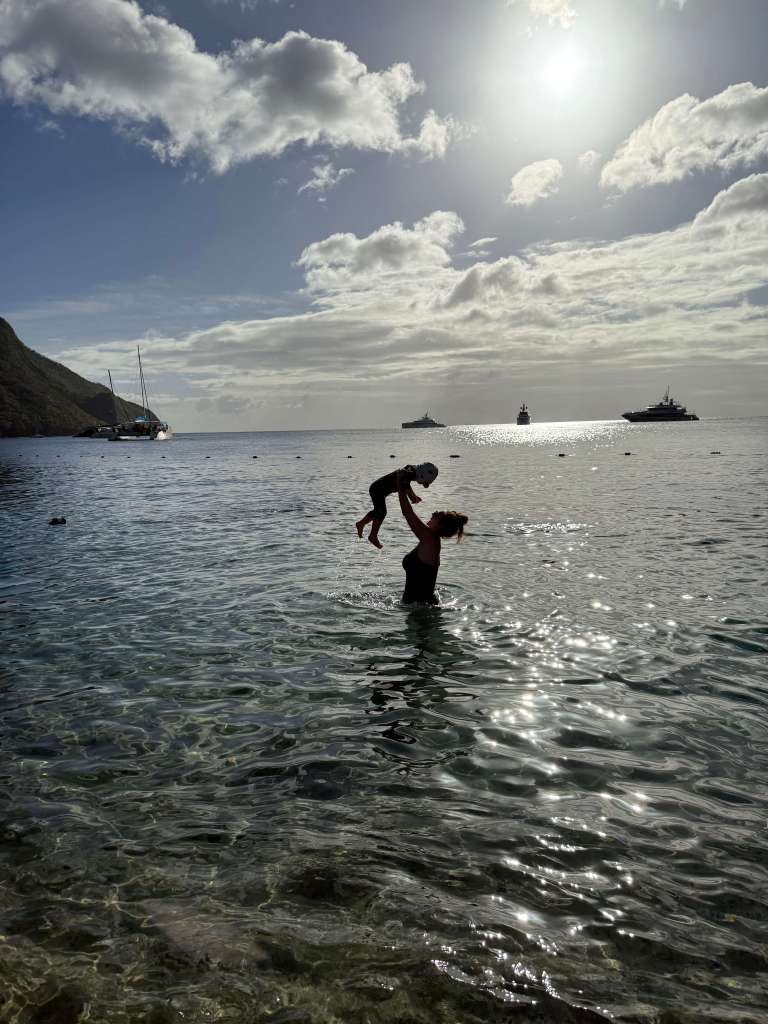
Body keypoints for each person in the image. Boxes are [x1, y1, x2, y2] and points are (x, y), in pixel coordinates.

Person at [396, 470, 467, 605]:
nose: (434, 513)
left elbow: (407, 513)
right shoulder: (431, 540)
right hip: (421, 609)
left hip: (422, 612)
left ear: (441, 525)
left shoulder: (429, 538)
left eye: (438, 515)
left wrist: (399, 483)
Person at [356, 462, 438, 549]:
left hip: (378, 489)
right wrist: (413, 498)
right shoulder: (409, 473)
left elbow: (406, 486)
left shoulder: (411, 471)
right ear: (422, 475)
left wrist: (414, 496)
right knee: (381, 512)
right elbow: (406, 487)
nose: (424, 485)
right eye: (425, 482)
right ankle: (372, 535)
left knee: (378, 511)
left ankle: (361, 524)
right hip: (377, 489)